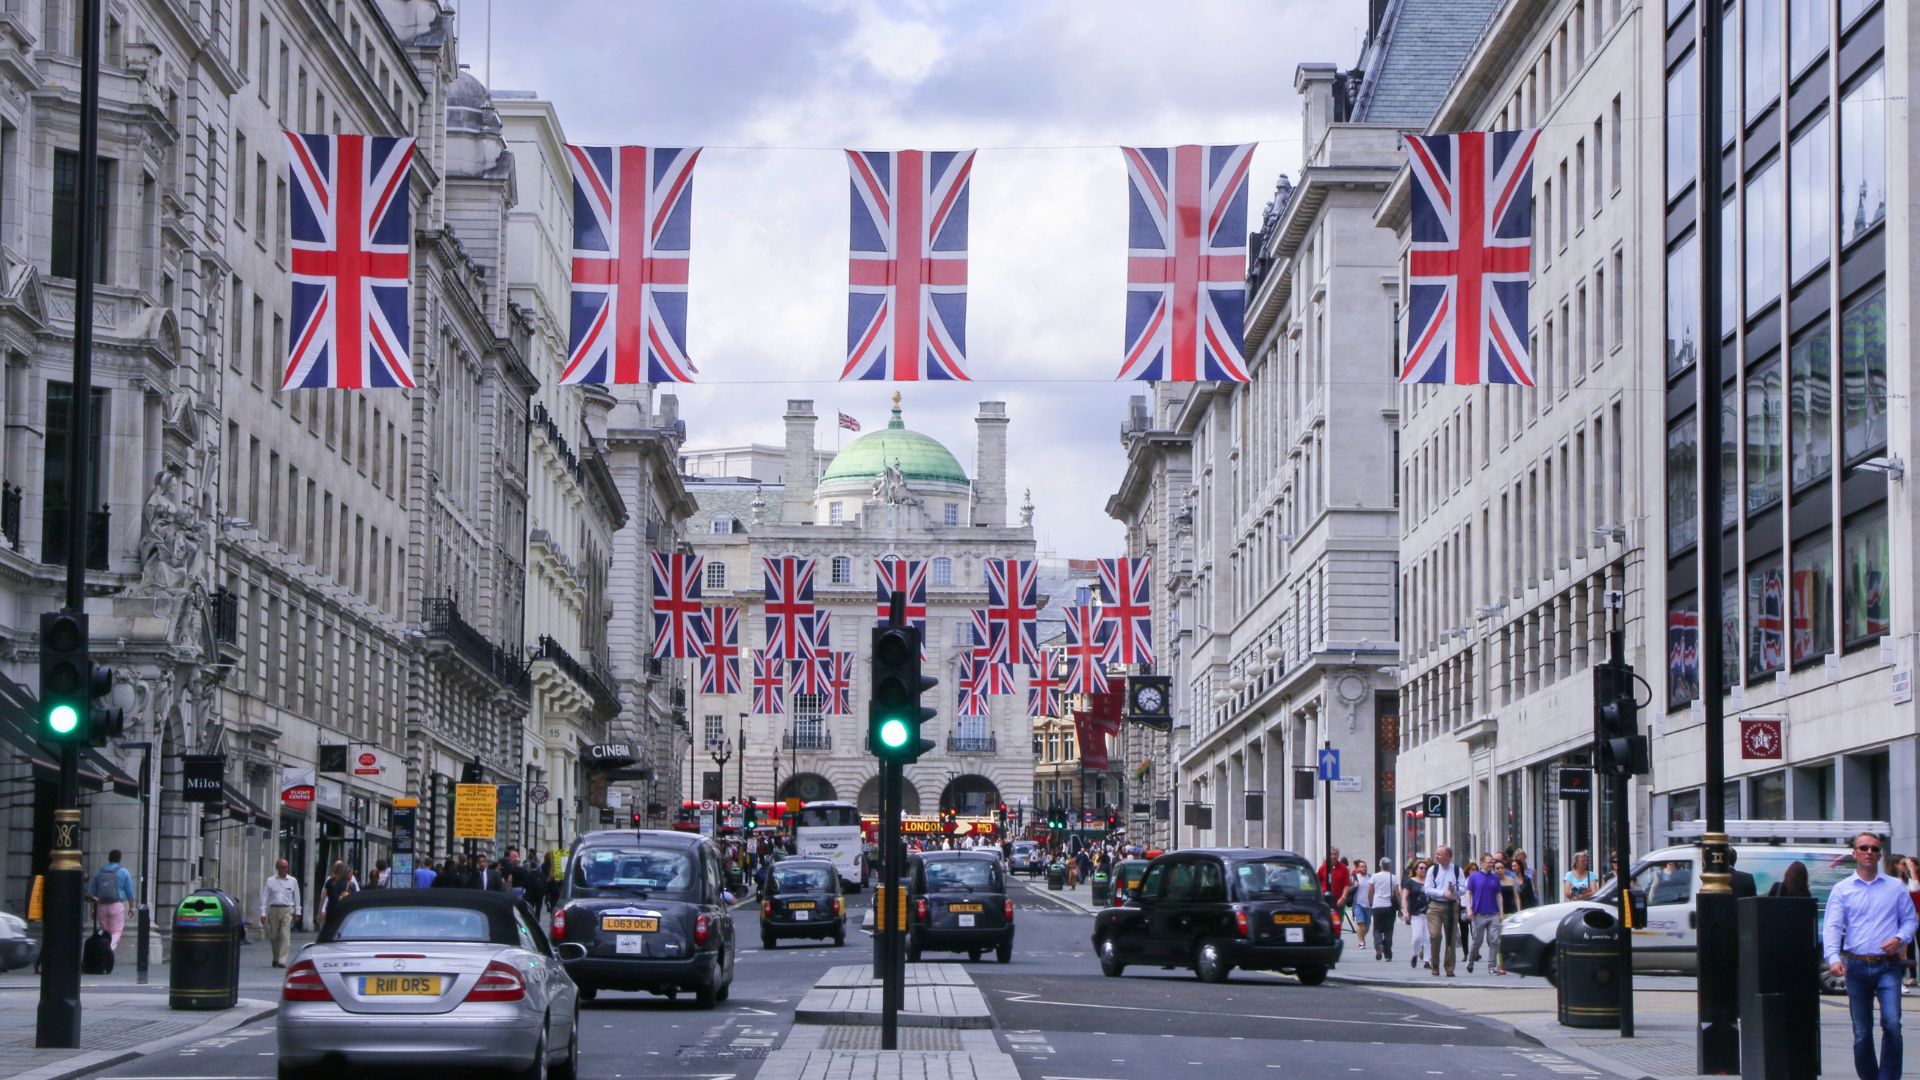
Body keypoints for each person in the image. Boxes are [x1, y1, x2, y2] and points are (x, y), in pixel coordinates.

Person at [1825, 831, 1918, 1080]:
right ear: (1854, 853)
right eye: (1864, 848)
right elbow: (1833, 926)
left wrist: (1900, 938)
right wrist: (1834, 958)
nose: (1869, 852)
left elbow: (1910, 920)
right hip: (1856, 965)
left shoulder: (1895, 887)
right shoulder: (1842, 889)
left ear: (1879, 855)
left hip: (1887, 966)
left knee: (1892, 1025)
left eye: (1874, 849)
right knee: (1862, 1031)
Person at [1424, 846, 1467, 977]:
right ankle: (1435, 965)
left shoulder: (1457, 870)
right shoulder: (1433, 870)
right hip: (1435, 906)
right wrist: (1443, 893)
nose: (1436, 857)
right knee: (1435, 936)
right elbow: (1427, 889)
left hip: (1450, 907)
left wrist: (1455, 889)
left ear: (1448, 856)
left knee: (1451, 938)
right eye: (1436, 854)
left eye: (1439, 854)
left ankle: (1449, 967)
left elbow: (1464, 888)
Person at [87, 849, 135, 951]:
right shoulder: (124, 872)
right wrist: (132, 907)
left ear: (109, 859)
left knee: (105, 932)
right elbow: (130, 892)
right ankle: (108, 950)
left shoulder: (99, 873)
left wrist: (92, 910)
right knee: (116, 931)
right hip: (116, 906)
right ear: (119, 859)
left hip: (101, 906)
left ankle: (103, 950)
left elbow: (93, 893)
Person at [259, 858, 303, 967]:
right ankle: (276, 957)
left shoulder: (293, 881)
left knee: (285, 934)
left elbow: (297, 896)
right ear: (278, 868)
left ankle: (282, 960)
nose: (285, 869)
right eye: (283, 867)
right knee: (274, 936)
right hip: (273, 909)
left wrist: (298, 912)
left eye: (287, 867)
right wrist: (263, 913)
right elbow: (264, 897)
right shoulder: (270, 881)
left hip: (287, 909)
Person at [1466, 852, 1504, 975]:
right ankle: (1470, 960)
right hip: (1479, 913)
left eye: (1492, 862)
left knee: (1494, 940)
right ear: (1482, 862)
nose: (1490, 864)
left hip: (1493, 913)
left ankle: (1491, 966)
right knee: (1477, 941)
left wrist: (1501, 913)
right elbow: (1468, 893)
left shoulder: (1495, 878)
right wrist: (1469, 909)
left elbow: (1499, 895)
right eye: (1488, 862)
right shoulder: (1474, 877)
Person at [1369, 857, 1399, 962]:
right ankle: (1388, 954)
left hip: (1377, 905)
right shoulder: (1393, 877)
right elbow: (1397, 893)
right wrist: (1400, 906)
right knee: (1388, 930)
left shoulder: (1374, 876)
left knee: (1376, 929)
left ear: (1380, 865)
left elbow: (1370, 891)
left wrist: (1370, 903)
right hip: (1390, 907)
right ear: (1389, 866)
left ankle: (1379, 945)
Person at [1403, 858, 1431, 970]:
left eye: (1425, 868)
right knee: (1417, 937)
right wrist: (1405, 911)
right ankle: (1415, 954)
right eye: (1421, 868)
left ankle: (1427, 961)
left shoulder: (1430, 882)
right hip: (1415, 913)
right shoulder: (1410, 882)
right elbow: (1404, 897)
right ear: (1416, 869)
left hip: (1430, 913)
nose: (1423, 870)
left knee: (1429, 938)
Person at [1319, 847, 1350, 931]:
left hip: (1338, 901)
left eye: (1335, 854)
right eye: (1332, 854)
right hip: (1325, 900)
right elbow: (1317, 882)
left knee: (1337, 923)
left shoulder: (1343, 868)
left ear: (1338, 855)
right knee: (1325, 922)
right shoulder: (1323, 868)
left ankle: (1336, 938)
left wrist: (1343, 897)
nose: (1333, 856)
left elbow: (1347, 885)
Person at [1350, 859, 1373, 950]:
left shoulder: (1371, 877)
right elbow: (1349, 890)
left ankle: (1361, 937)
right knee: (1360, 923)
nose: (1364, 868)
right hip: (1358, 905)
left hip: (1368, 905)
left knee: (1366, 927)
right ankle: (1361, 942)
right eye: (1362, 867)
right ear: (1358, 868)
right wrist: (1354, 886)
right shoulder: (1355, 878)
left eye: (1365, 867)